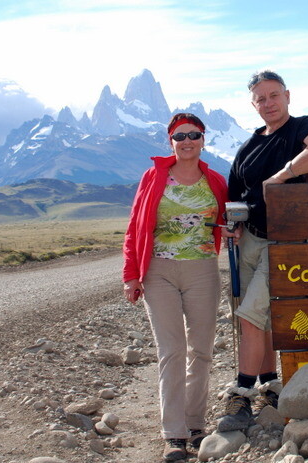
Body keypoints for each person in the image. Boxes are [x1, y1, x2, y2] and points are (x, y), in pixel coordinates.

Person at [218, 70, 308, 432]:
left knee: (250, 315)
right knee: (259, 319)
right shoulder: (248, 148)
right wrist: (233, 224)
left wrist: (281, 177)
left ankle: (242, 392)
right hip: (250, 239)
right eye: (260, 99)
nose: (268, 103)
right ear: (253, 105)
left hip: (286, 244)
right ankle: (270, 383)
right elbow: (235, 195)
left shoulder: (303, 127)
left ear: (287, 95)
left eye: (273, 95)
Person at [122, 113, 228, 461]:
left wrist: (230, 231)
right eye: (179, 136)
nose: (186, 141)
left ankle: (196, 424)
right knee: (171, 350)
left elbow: (226, 221)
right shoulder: (153, 178)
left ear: (203, 140)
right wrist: (131, 274)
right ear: (170, 141)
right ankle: (174, 434)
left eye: (193, 135)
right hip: (159, 272)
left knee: (201, 349)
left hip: (202, 269)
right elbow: (134, 226)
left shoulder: (214, 180)